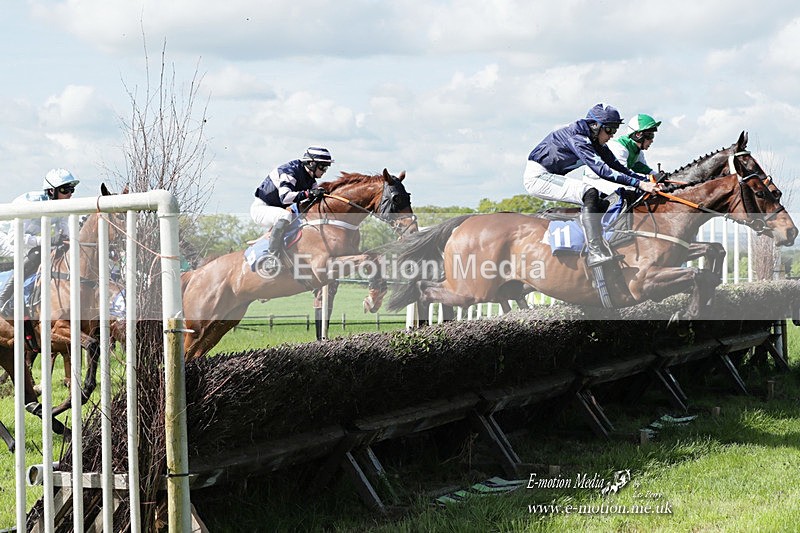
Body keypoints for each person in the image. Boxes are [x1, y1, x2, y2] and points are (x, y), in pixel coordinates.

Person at [523, 104, 660, 266]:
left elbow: (617, 166)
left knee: (606, 201)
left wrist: (643, 181)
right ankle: (595, 251)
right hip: (538, 177)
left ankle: (598, 241)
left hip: (549, 175)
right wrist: (639, 184)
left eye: (614, 131)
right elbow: (602, 171)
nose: (612, 135)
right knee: (590, 192)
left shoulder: (594, 139)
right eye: (609, 130)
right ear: (596, 126)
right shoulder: (579, 138)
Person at [0, 168, 80, 312]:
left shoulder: (61, 205)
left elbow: (65, 232)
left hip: (24, 238)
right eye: (64, 190)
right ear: (51, 191)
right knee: (36, 253)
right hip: (5, 237)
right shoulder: (30, 203)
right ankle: (3, 299)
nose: (69, 194)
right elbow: (13, 239)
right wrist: (44, 241)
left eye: (71, 190)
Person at [250, 146, 332, 264]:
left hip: (278, 210)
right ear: (311, 164)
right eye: (322, 166)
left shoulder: (311, 180)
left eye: (326, 167)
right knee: (285, 216)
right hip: (262, 209)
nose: (324, 170)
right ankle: (272, 257)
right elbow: (285, 198)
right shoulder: (290, 172)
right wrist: (309, 193)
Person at [583, 113, 662, 196]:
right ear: (638, 135)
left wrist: (659, 176)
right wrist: (649, 179)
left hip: (613, 179)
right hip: (596, 181)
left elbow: (647, 172)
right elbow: (622, 174)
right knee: (632, 190)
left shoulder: (638, 152)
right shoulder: (619, 147)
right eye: (650, 135)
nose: (652, 140)